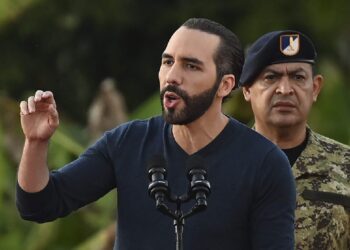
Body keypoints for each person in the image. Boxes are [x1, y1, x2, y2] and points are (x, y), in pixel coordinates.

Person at [16, 18, 296, 250]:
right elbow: (40, 205)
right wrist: (36, 142)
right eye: (167, 62)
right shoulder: (127, 142)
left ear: (225, 85)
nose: (172, 76)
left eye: (191, 65)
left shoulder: (264, 163)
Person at [239, 30, 350, 249]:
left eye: (298, 77)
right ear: (247, 90)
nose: (285, 89)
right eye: (270, 77)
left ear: (315, 88)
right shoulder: (221, 164)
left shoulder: (346, 165)